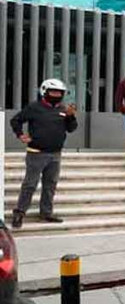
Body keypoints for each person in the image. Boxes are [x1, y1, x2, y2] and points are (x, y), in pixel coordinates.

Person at [8, 79, 77, 229]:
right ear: (44, 92)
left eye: (59, 93)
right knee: (30, 184)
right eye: (53, 92)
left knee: (50, 185)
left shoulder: (64, 110)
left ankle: (46, 212)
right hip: (36, 153)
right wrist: (20, 134)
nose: (56, 95)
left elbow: (71, 128)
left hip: (55, 154)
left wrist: (71, 116)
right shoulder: (34, 107)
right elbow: (16, 120)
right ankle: (19, 213)